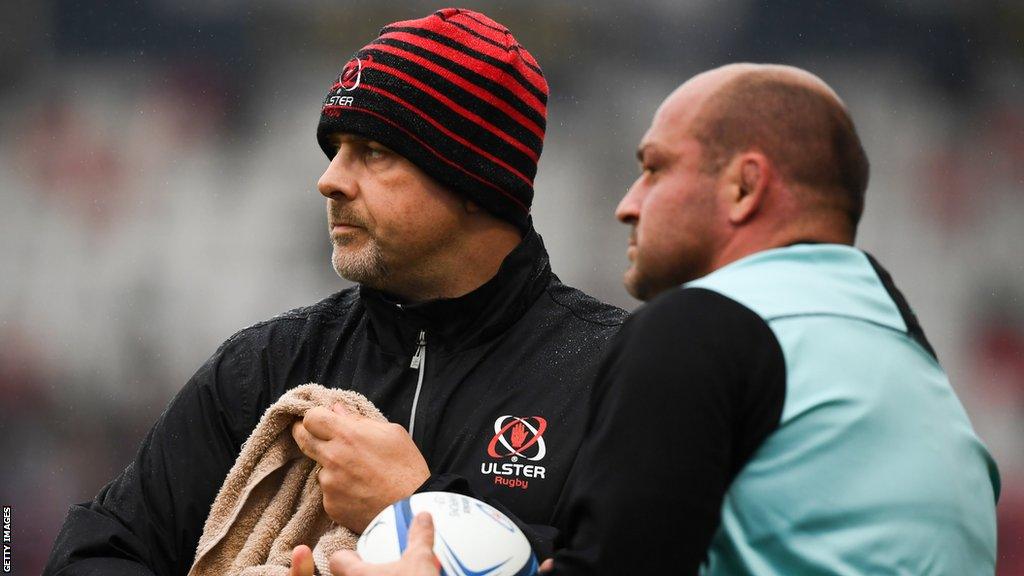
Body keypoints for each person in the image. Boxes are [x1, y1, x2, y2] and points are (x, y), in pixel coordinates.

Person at [332, 63, 1001, 575]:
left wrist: (426, 514)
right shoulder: (903, 347)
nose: (629, 203)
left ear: (744, 186)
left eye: (654, 169)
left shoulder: (702, 330)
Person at [44, 8, 626, 576]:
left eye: (374, 153)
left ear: (476, 180)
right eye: (336, 149)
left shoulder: (615, 374)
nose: (329, 179)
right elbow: (95, 550)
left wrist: (417, 505)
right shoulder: (263, 368)